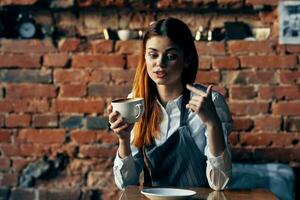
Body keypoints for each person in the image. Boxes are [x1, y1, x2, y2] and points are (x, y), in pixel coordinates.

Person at [107, 17, 233, 190]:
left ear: (187, 59)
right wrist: (123, 139)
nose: (160, 63)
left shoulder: (210, 102)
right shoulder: (137, 103)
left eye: (171, 56)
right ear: (145, 58)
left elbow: (219, 184)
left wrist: (213, 124)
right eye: (153, 55)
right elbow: (125, 183)